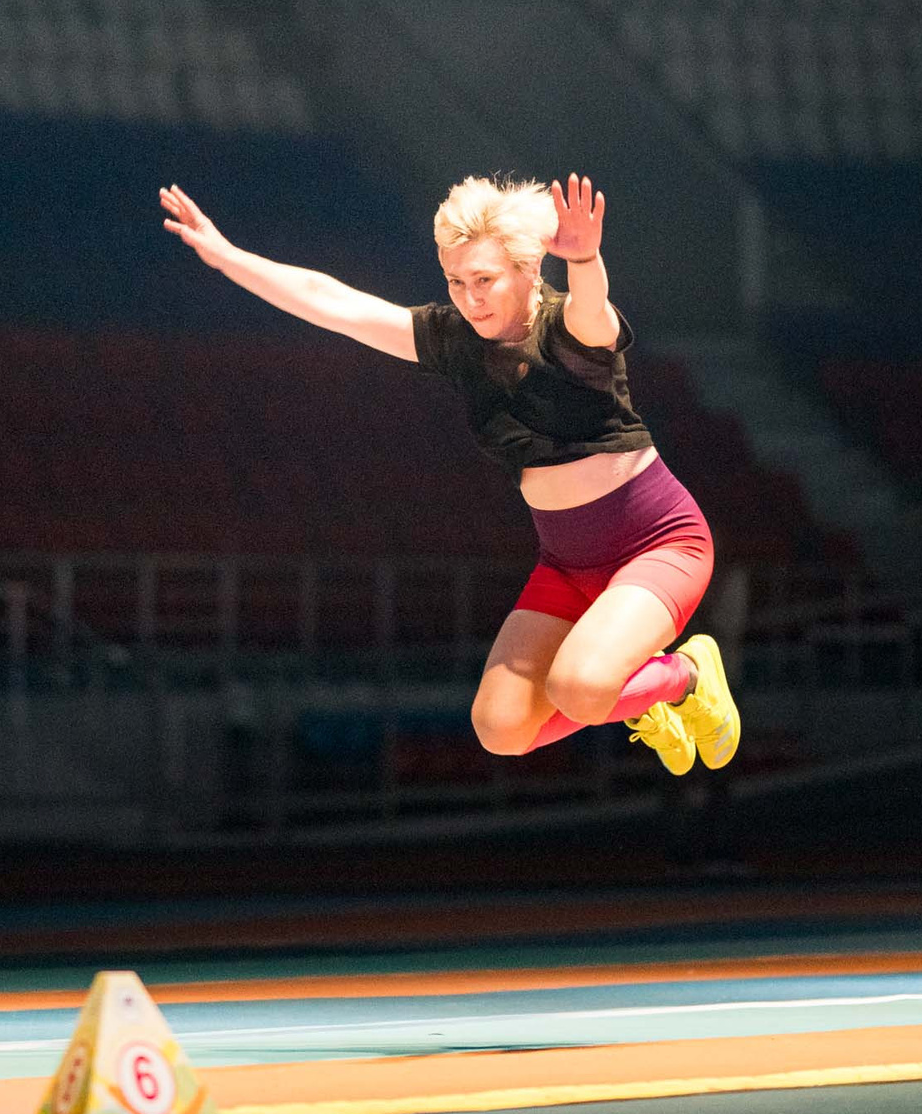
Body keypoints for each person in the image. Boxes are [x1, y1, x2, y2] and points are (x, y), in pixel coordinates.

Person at [159, 173, 740, 774]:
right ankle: (640, 694)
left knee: (580, 688)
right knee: (501, 728)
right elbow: (336, 304)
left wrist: (586, 260)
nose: (470, 298)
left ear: (528, 269)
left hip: (657, 544)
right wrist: (228, 258)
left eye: (484, 280)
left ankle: (687, 677)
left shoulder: (570, 329)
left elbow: (592, 306)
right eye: (456, 282)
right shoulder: (456, 340)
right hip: (567, 565)